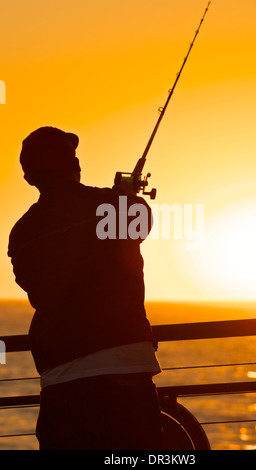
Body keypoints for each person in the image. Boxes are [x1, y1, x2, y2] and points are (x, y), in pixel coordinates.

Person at [8, 126, 163, 450]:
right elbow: (142, 221)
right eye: (72, 157)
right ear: (70, 166)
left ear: (29, 178)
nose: (77, 163)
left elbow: (38, 289)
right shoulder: (109, 206)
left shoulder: (21, 232)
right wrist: (125, 195)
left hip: (60, 376)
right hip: (123, 367)